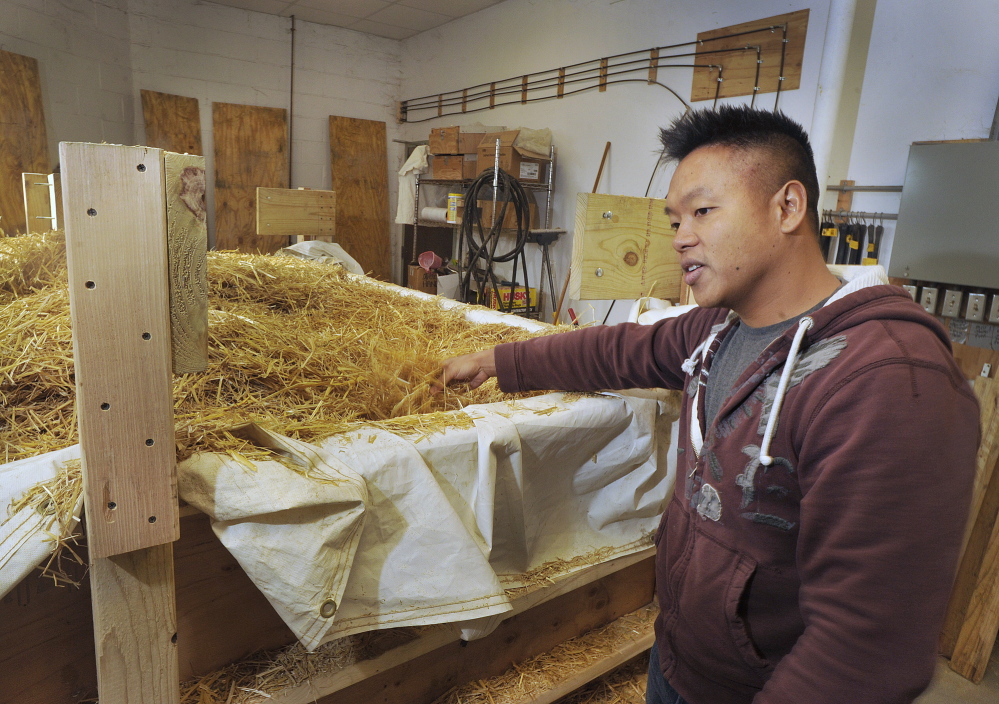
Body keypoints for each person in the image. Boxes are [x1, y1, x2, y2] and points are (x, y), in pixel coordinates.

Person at [435, 105, 979, 704]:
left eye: (702, 210)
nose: (680, 237)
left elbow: (864, 649)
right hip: (678, 661)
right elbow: (621, 349)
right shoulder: (720, 330)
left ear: (788, 207)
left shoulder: (887, 381)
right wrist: (499, 361)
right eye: (674, 220)